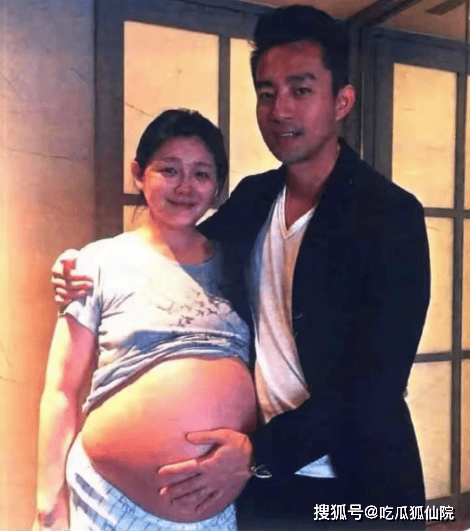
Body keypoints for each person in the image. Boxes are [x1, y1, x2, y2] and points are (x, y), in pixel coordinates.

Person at [52, 5, 431, 530]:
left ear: (342, 101)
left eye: (301, 90)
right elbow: (178, 241)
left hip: (357, 484)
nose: (280, 110)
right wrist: (83, 264)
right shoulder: (255, 199)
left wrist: (257, 453)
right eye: (267, 92)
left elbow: (377, 384)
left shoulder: (390, 215)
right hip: (262, 490)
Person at [33, 109, 258, 531]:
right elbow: (61, 388)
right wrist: (48, 505)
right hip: (109, 502)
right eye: (169, 170)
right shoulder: (97, 262)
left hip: (219, 505)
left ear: (217, 185)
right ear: (139, 173)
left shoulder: (240, 264)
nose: (185, 187)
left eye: (202, 174)